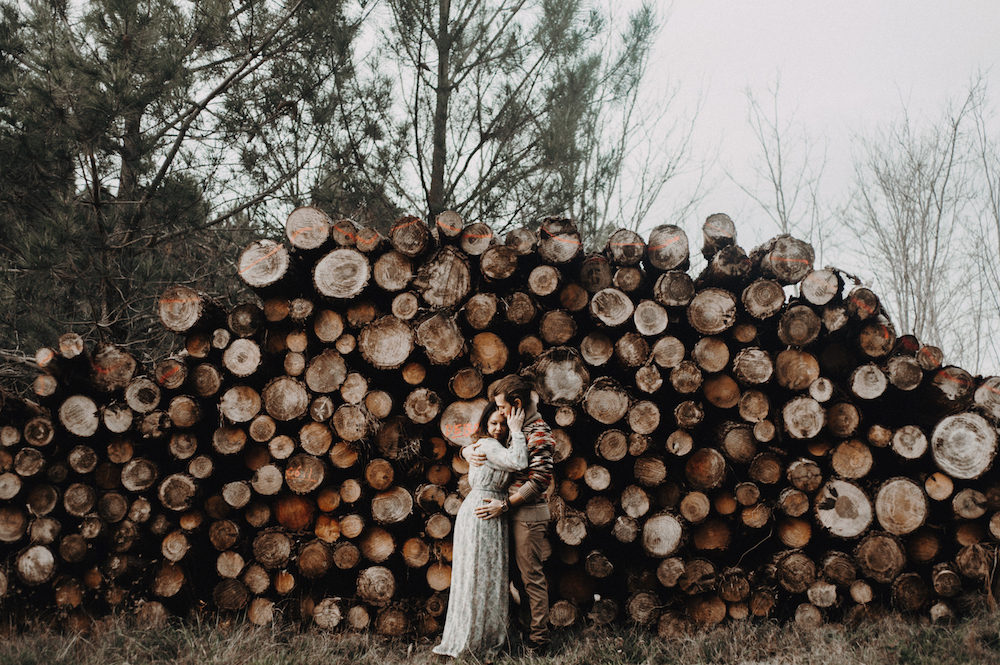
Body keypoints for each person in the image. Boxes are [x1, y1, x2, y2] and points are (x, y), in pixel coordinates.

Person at [432, 402, 529, 659]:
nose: (498, 428)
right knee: (477, 575)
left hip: (492, 510)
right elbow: (519, 461)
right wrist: (517, 431)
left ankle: (482, 633)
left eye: (503, 423)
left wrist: (465, 450)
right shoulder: (488, 445)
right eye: (493, 423)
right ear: (485, 425)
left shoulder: (488, 446)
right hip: (481, 513)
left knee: (489, 575)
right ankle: (472, 638)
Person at [467, 374, 554, 654]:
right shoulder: (516, 429)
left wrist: (504, 506)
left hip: (527, 514)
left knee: (531, 579)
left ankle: (538, 642)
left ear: (516, 404)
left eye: (503, 408)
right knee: (516, 579)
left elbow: (539, 481)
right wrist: (466, 450)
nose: (500, 414)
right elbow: (486, 447)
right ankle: (522, 631)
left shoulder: (538, 431)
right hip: (511, 513)